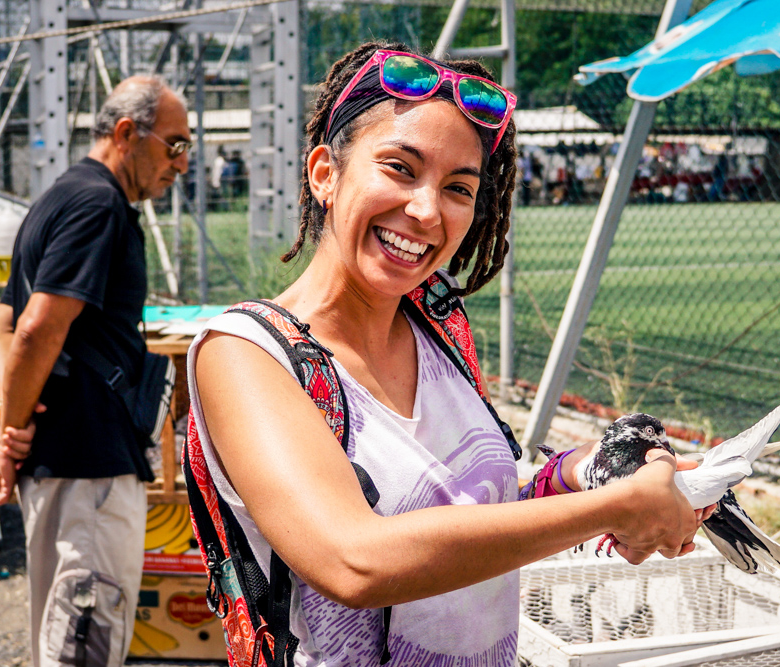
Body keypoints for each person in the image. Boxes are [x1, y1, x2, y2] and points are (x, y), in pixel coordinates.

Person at [188, 42, 710, 666]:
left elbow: (472, 516)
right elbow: (353, 560)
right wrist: (617, 508)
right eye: (400, 168)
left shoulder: (438, 326)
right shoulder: (247, 355)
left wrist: (581, 473)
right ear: (325, 173)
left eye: (459, 188)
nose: (426, 210)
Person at [0, 75, 190, 667]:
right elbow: (35, 329)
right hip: (91, 471)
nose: (181, 163)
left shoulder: (55, 198)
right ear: (127, 133)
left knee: (60, 642)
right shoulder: (99, 204)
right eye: (174, 144)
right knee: (84, 647)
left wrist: (8, 426)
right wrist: (10, 428)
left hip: (59, 469)